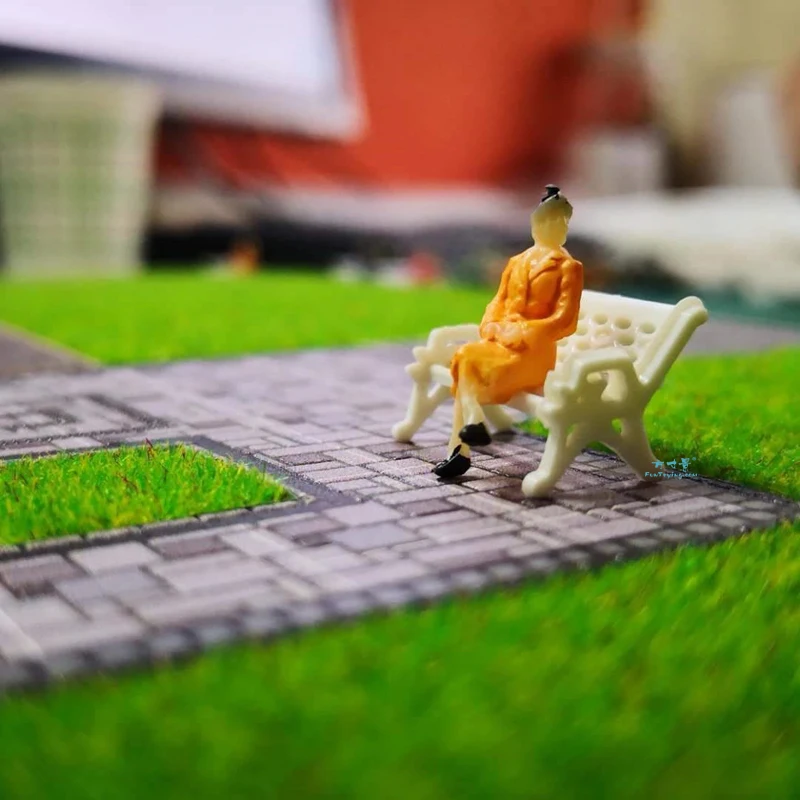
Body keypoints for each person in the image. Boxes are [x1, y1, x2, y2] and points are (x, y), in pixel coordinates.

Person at [434, 185, 584, 478]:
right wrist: (492, 326)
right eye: (553, 221)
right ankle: (470, 428)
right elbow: (497, 302)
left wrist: (525, 332)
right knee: (465, 355)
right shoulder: (516, 262)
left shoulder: (568, 267)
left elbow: (565, 320)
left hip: (534, 356)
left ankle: (461, 447)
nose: (559, 228)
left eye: (563, 222)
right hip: (500, 344)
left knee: (468, 371)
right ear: (537, 225)